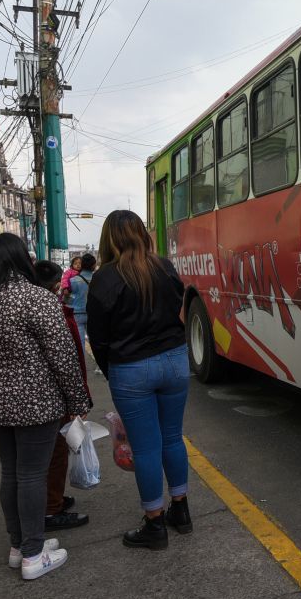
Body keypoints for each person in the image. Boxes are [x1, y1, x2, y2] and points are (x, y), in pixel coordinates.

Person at [0, 234, 92, 580]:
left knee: (11, 473)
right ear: (22, 259)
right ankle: (33, 554)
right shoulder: (35, 297)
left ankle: (18, 546)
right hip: (35, 404)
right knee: (31, 475)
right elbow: (63, 356)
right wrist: (77, 400)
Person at [87, 210, 191, 550]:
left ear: (109, 239)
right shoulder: (163, 266)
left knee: (146, 447)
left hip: (132, 368)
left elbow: (99, 337)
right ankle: (182, 511)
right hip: (175, 360)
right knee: (173, 439)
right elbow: (179, 306)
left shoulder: (105, 277)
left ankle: (154, 524)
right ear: (141, 234)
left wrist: (110, 368)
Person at [32, 259, 90, 533]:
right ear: (57, 285)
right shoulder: (53, 312)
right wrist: (80, 401)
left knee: (32, 459)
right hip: (49, 396)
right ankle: (50, 510)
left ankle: (49, 502)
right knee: (54, 453)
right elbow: (69, 362)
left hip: (21, 398)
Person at [67, 254, 95, 340]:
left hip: (77, 314)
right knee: (95, 341)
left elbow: (68, 299)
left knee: (79, 341)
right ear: (93, 266)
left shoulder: (73, 280)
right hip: (93, 314)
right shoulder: (98, 279)